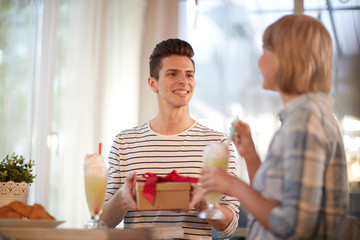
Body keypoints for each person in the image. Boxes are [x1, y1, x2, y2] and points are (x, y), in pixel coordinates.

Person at [199, 14, 349, 240]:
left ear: (286, 57)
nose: (259, 61)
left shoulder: (305, 120)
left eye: (264, 51)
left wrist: (233, 185)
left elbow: (293, 226)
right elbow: (274, 202)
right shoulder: (304, 116)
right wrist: (250, 155)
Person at [101, 38, 240, 239]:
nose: (183, 81)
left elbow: (230, 225)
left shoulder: (218, 144)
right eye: (172, 74)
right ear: (153, 83)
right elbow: (102, 223)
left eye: (189, 75)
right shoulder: (125, 142)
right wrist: (123, 196)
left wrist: (204, 203)